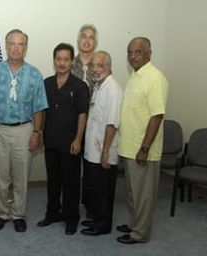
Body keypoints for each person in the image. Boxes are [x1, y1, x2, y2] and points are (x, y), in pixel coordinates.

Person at [0, 29, 48, 232]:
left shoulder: (34, 74)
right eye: (12, 43)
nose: (16, 48)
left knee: (21, 176)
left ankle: (18, 213)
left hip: (24, 130)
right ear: (5, 45)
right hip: (0, 129)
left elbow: (39, 107)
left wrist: (37, 133)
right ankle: (2, 213)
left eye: (20, 44)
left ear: (25, 48)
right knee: (0, 176)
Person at [117, 37, 169, 244]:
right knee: (133, 194)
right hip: (129, 148)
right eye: (130, 52)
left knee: (143, 196)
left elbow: (157, 116)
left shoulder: (155, 78)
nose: (133, 56)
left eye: (138, 52)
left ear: (149, 53)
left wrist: (145, 148)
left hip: (143, 150)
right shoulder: (135, 77)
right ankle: (134, 224)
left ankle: (140, 234)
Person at [37, 43, 89, 235]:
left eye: (66, 59)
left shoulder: (80, 86)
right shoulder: (47, 83)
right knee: (53, 180)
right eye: (58, 59)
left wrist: (78, 139)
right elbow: (42, 111)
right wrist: (40, 133)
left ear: (71, 62)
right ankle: (52, 214)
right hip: (50, 140)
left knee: (71, 182)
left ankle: (71, 218)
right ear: (54, 61)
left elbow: (82, 114)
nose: (62, 63)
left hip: (70, 143)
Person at [80, 51, 123, 236]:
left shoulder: (113, 89)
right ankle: (97, 219)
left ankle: (103, 226)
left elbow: (112, 124)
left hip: (103, 152)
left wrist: (105, 152)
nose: (95, 69)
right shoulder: (99, 86)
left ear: (109, 67)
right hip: (93, 151)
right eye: (92, 65)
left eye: (100, 65)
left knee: (104, 191)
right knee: (96, 189)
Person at [71, 24, 98, 220]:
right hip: (72, 124)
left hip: (95, 124)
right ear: (78, 41)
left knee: (91, 168)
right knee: (71, 167)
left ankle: (90, 204)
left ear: (95, 42)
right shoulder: (69, 63)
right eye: (84, 37)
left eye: (91, 37)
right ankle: (71, 205)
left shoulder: (101, 63)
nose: (87, 40)